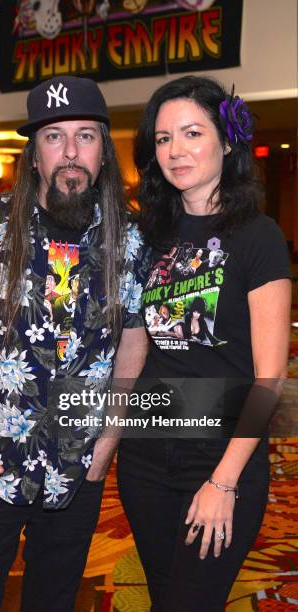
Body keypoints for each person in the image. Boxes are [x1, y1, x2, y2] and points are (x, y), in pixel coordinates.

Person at [0, 76, 149, 612]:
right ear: (33, 155)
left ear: (104, 153)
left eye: (85, 136)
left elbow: (133, 342)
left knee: (56, 600)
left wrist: (109, 438)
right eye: (53, 137)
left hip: (78, 466)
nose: (70, 153)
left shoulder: (128, 240)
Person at [116, 76, 291, 611]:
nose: (175, 150)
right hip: (145, 457)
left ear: (227, 141)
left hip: (222, 456)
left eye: (192, 133)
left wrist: (224, 481)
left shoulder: (259, 236)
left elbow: (270, 378)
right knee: (164, 597)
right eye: (163, 139)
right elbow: (137, 346)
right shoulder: (149, 235)